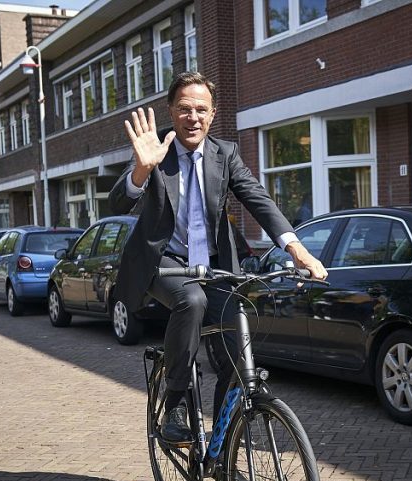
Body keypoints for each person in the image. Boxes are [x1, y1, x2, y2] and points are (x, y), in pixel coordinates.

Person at [109, 71, 327, 444]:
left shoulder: (225, 154)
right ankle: (175, 401)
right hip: (166, 263)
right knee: (191, 300)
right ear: (171, 112)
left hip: (214, 266)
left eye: (200, 110)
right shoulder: (156, 152)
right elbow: (116, 203)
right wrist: (143, 168)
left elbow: (259, 199)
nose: (192, 117)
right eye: (183, 109)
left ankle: (224, 451)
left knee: (238, 352)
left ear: (212, 116)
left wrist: (298, 249)